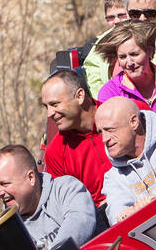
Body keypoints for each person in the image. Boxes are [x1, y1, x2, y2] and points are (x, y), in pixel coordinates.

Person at [0, 144, 98, 250]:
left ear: (31, 177)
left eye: (4, 184)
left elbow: (80, 220)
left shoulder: (66, 189)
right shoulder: (7, 226)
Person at [39, 69, 113, 208]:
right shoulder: (55, 153)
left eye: (55, 104)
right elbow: (71, 206)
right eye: (46, 106)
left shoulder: (122, 114)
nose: (49, 113)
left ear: (80, 96)